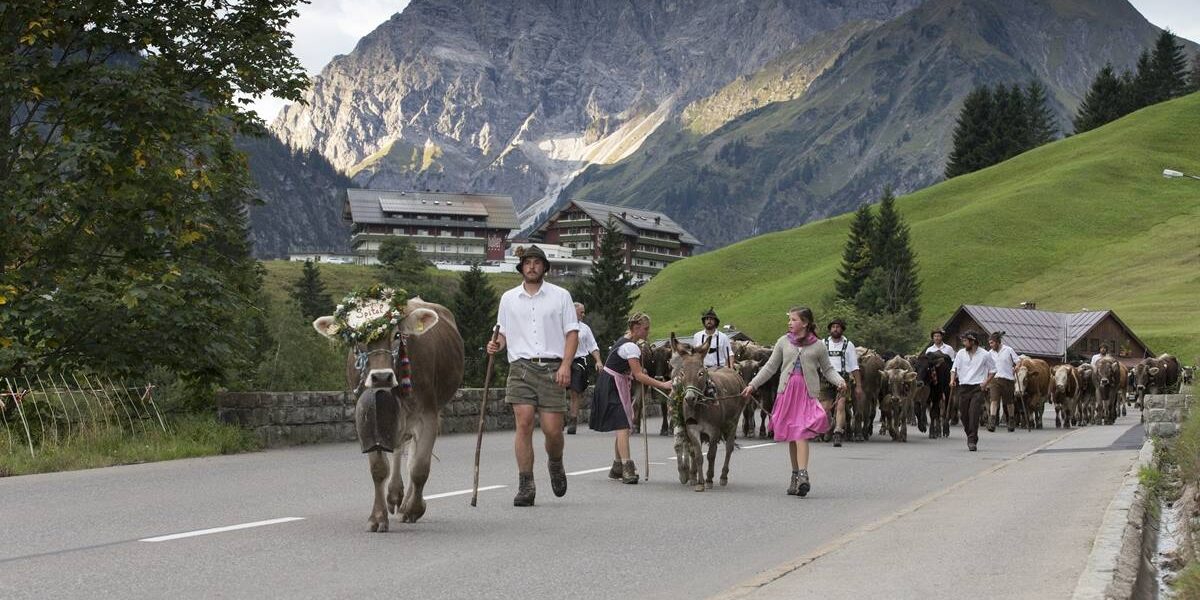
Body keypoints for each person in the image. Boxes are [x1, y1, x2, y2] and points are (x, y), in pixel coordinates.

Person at [487, 245, 579, 507]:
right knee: (524, 422)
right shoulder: (508, 298)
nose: (531, 267)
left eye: (537, 262)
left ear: (544, 268)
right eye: (527, 262)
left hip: (553, 368)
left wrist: (566, 365)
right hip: (521, 368)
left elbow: (572, 332)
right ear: (521, 267)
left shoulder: (561, 296)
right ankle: (526, 483)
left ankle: (555, 461)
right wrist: (496, 344)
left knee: (552, 431)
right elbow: (502, 332)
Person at [741, 307, 846, 497]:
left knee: (801, 433)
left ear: (805, 323)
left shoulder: (818, 346)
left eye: (794, 320)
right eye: (789, 320)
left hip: (806, 394)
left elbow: (828, 369)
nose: (790, 323)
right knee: (793, 434)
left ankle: (803, 476)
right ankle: (795, 475)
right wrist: (752, 385)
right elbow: (770, 367)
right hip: (787, 393)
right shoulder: (783, 342)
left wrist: (840, 381)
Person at [589, 312, 674, 484]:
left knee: (623, 427)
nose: (647, 332)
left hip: (611, 382)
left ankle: (617, 467)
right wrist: (664, 385)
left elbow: (632, 370)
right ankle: (627, 468)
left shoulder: (625, 342)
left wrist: (635, 371)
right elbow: (638, 376)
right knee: (622, 425)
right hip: (613, 385)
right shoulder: (631, 347)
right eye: (645, 329)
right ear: (636, 328)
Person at [949, 331, 996, 451]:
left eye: (965, 341)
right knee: (964, 415)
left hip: (977, 388)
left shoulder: (985, 354)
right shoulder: (960, 353)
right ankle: (970, 434)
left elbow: (993, 370)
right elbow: (954, 368)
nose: (963, 343)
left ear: (973, 341)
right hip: (963, 387)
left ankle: (972, 440)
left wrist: (985, 382)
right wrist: (952, 380)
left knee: (973, 413)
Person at [822, 318, 864, 447]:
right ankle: (829, 427)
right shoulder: (822, 343)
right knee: (825, 408)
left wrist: (858, 386)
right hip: (825, 379)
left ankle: (838, 432)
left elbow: (854, 367)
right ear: (830, 329)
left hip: (842, 379)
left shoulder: (848, 345)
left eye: (838, 327)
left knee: (840, 405)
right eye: (833, 327)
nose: (835, 329)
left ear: (842, 329)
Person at [567, 302, 602, 435]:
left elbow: (593, 346)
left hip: (579, 361)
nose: (583, 314)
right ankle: (558, 420)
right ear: (573, 311)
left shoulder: (585, 328)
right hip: (562, 360)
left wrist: (598, 361)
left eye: (583, 312)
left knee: (576, 392)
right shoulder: (561, 325)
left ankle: (573, 421)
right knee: (557, 391)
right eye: (581, 312)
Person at [986, 331, 1019, 432]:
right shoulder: (989, 353)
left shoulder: (1008, 350)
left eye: (992, 343)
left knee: (1009, 402)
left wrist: (1016, 368)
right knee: (994, 400)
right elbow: (986, 367)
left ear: (998, 342)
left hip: (1007, 379)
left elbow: (1018, 361)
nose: (990, 345)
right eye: (989, 343)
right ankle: (992, 422)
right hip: (994, 380)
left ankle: (1011, 420)